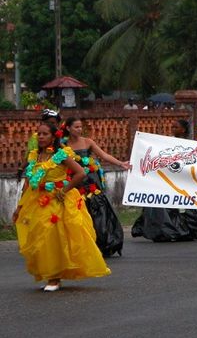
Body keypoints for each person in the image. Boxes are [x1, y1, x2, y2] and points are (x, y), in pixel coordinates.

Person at [12, 123, 111, 291]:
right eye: (39, 134)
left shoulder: (61, 155)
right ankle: (49, 273)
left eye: (45, 134)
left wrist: (64, 190)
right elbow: (28, 183)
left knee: (52, 235)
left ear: (53, 137)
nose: (41, 137)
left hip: (57, 200)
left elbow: (80, 173)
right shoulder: (34, 156)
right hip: (37, 200)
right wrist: (20, 206)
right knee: (38, 237)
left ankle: (54, 278)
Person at [62, 117, 130, 256]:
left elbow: (104, 155)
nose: (79, 129)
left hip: (91, 180)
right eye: (76, 127)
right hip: (73, 181)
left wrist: (121, 163)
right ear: (68, 128)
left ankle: (102, 242)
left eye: (81, 127)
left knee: (98, 210)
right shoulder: (62, 145)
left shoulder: (88, 142)